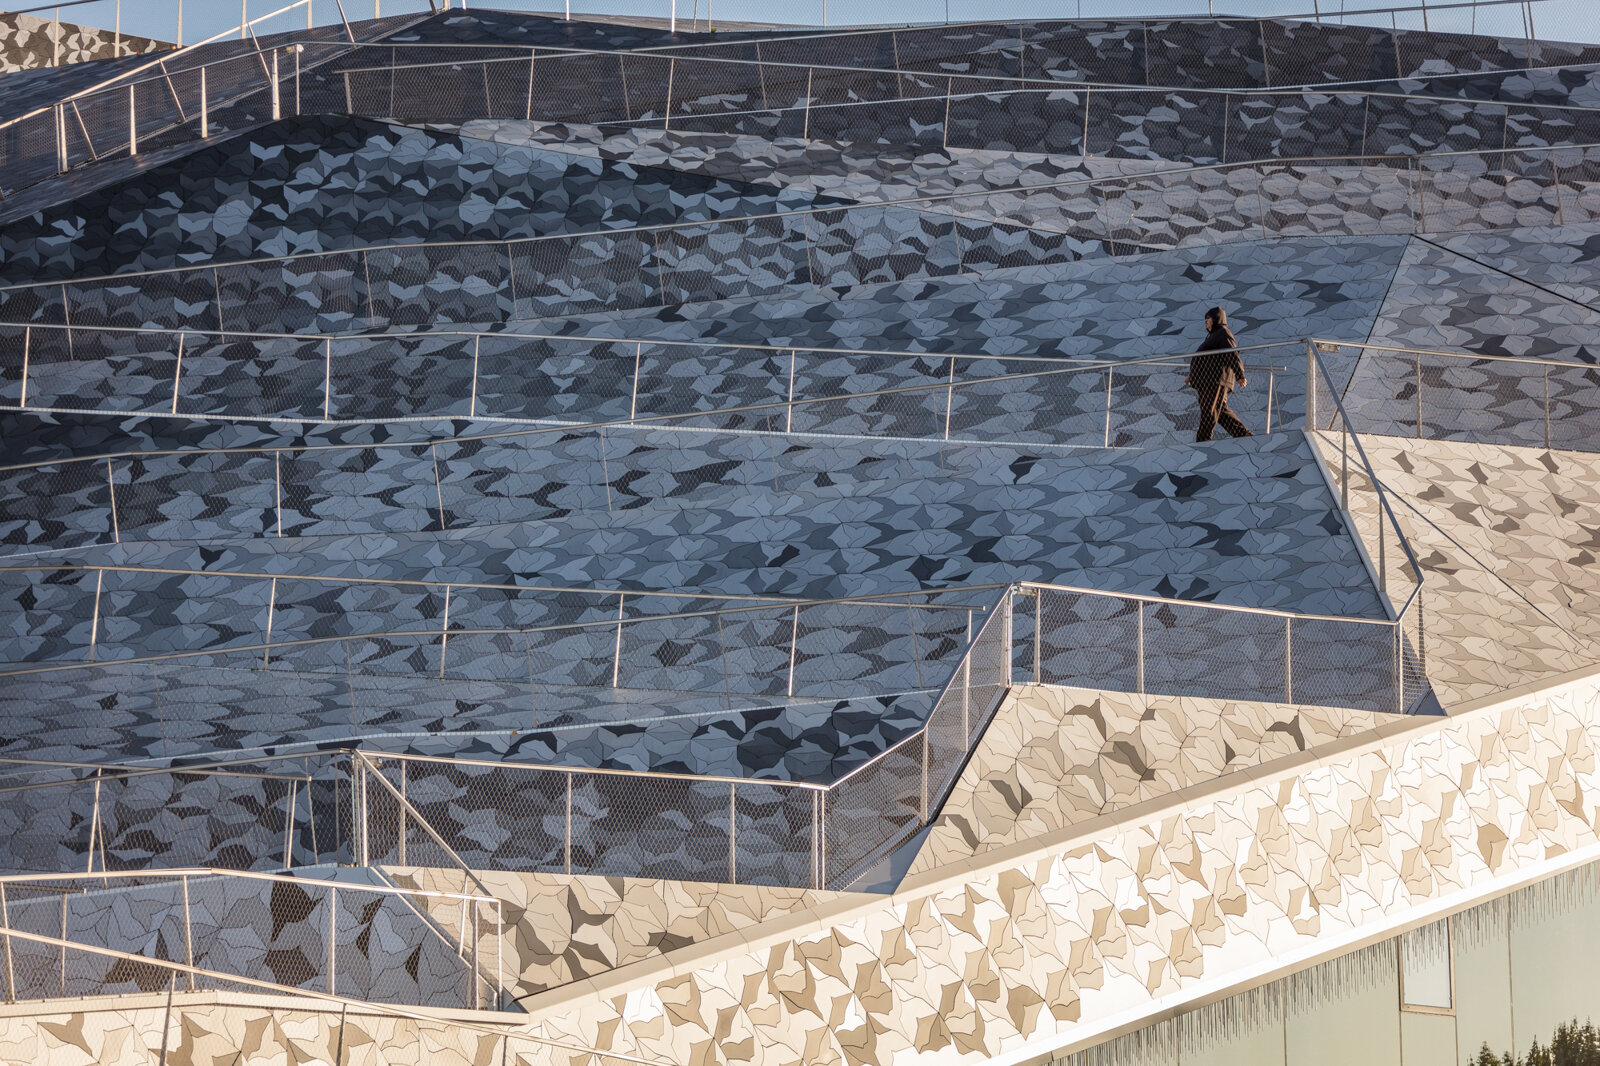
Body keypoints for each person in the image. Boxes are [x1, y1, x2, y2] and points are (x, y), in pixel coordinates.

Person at [1184, 306, 1252, 443]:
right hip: (1208, 381)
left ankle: (1203, 442)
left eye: (1208, 318)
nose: (1206, 321)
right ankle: (1245, 437)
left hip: (1214, 381)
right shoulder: (1213, 336)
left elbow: (1232, 353)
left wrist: (1240, 374)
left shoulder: (1223, 333)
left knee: (1209, 411)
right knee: (1221, 413)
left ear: (1216, 319)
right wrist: (1192, 375)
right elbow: (1203, 359)